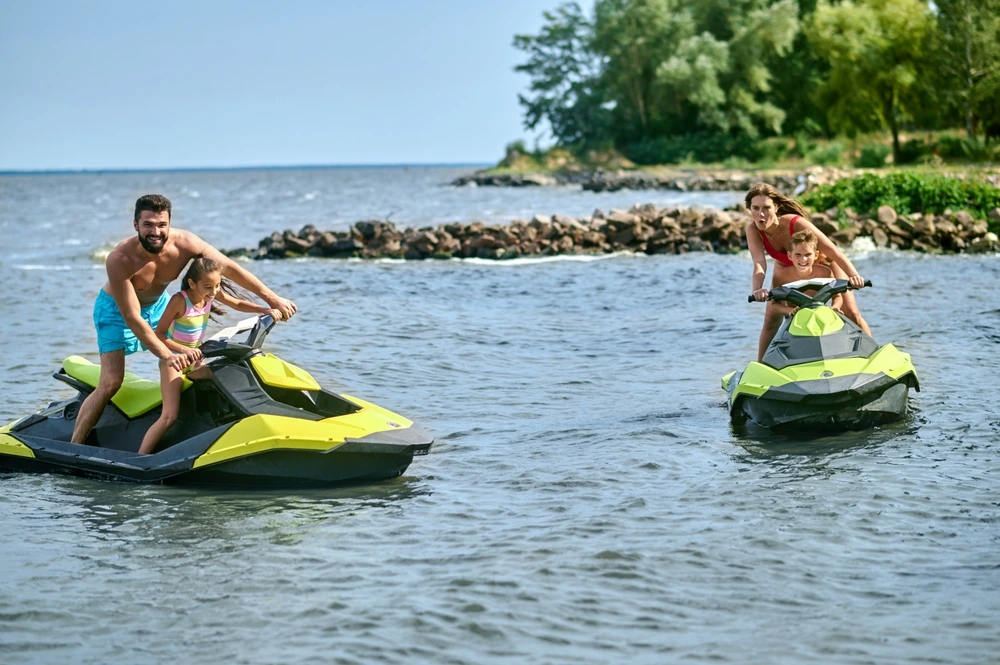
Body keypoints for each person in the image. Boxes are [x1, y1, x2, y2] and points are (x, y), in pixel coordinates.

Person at [71, 194, 297, 446]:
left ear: (169, 223)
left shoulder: (186, 243)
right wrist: (167, 355)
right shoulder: (120, 259)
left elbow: (228, 268)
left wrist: (272, 299)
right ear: (136, 225)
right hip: (117, 311)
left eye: (161, 225)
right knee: (112, 382)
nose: (155, 231)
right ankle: (73, 447)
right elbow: (133, 317)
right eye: (148, 225)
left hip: (159, 304)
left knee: (195, 362)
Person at [138, 257, 282, 455]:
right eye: (208, 287)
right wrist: (184, 350)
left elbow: (238, 303)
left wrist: (267, 309)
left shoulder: (210, 294)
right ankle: (141, 457)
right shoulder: (180, 300)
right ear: (192, 283)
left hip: (196, 361)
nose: (214, 292)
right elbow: (159, 335)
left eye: (217, 286)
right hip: (174, 362)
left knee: (226, 376)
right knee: (169, 416)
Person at [744, 183, 869, 362]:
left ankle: (872, 355)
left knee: (851, 311)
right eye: (755, 208)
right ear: (749, 209)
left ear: (776, 207)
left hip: (824, 263)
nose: (761, 214)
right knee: (771, 319)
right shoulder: (752, 230)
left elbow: (834, 251)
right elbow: (759, 263)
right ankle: (761, 368)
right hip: (786, 266)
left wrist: (854, 276)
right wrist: (757, 289)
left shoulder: (796, 223)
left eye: (766, 208)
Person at [768, 229, 843, 319]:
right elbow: (774, 304)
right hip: (795, 319)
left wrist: (835, 306)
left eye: (807, 254)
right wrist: (789, 311)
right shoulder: (781, 276)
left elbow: (837, 296)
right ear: (789, 256)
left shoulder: (825, 273)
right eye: (798, 254)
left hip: (820, 316)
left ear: (816, 255)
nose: (803, 259)